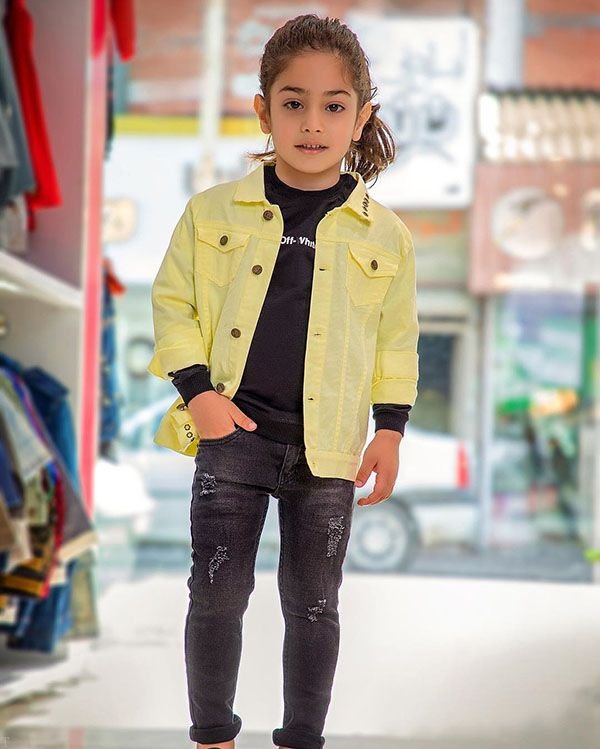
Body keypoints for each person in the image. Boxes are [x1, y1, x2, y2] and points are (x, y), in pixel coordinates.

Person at [147, 13, 419, 749]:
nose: (312, 123)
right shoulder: (211, 213)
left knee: (314, 604)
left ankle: (302, 737)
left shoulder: (385, 236)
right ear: (264, 110)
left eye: (334, 106)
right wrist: (198, 393)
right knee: (216, 593)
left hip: (329, 450)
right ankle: (213, 734)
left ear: (360, 117)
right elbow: (173, 303)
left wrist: (390, 430)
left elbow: (396, 339)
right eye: (293, 102)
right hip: (232, 434)